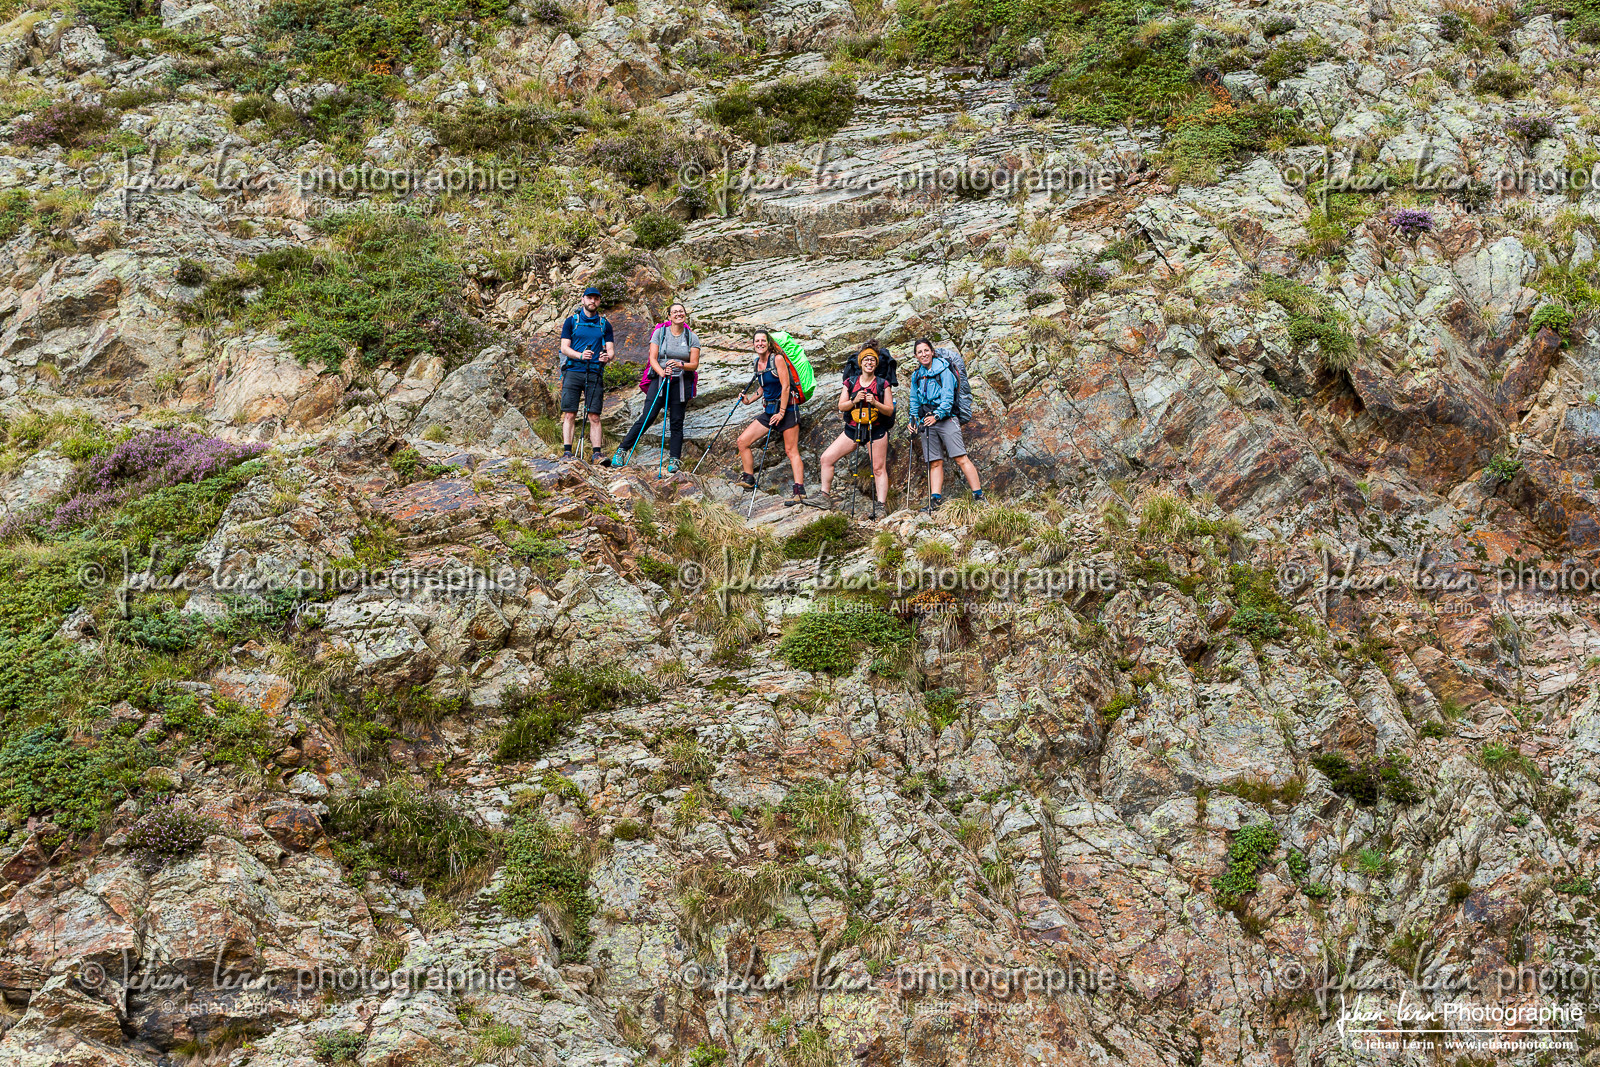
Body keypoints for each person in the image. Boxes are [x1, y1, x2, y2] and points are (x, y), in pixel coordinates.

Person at [612, 301, 700, 473]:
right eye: (674, 312)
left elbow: (694, 364)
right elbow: (653, 358)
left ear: (685, 314)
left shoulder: (691, 337)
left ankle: (674, 459)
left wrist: (681, 365)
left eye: (681, 311)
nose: (678, 314)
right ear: (669, 316)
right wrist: (662, 372)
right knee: (648, 416)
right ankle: (622, 450)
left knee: (676, 421)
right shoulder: (660, 333)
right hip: (660, 379)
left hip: (681, 382)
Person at [907, 337, 983, 512]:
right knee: (934, 462)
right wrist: (913, 420)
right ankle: (935, 501)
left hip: (946, 419)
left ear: (932, 352)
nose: (924, 354)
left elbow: (948, 398)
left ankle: (979, 496)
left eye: (926, 350)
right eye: (920, 352)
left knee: (960, 458)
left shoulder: (944, 370)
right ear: (916, 356)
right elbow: (914, 400)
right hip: (926, 421)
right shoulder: (917, 375)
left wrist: (938, 415)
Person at [818, 346, 894, 519]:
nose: (869, 362)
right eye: (866, 359)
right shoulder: (850, 382)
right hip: (853, 428)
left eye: (873, 360)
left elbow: (889, 410)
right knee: (826, 458)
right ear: (860, 363)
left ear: (876, 364)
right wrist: (855, 400)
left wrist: (875, 403)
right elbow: (841, 406)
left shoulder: (883, 384)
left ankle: (881, 507)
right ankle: (824, 496)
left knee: (878, 468)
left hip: (876, 430)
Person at [734, 329, 807, 505]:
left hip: (788, 409)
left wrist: (781, 412)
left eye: (763, 341)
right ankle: (749, 478)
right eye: (757, 341)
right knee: (742, 442)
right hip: (769, 412)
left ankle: (799, 491)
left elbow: (785, 387)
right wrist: (749, 400)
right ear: (753, 345)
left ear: (768, 343)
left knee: (791, 451)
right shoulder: (757, 364)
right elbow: (763, 387)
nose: (760, 343)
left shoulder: (777, 359)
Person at [558, 286, 615, 463]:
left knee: (594, 415)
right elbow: (564, 348)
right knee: (569, 413)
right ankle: (567, 452)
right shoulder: (571, 321)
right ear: (583, 300)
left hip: (594, 372)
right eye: (589, 298)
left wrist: (607, 357)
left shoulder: (604, 324)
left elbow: (611, 351)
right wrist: (581, 355)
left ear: (599, 301)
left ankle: (597, 453)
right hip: (573, 371)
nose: (593, 301)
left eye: (596, 299)